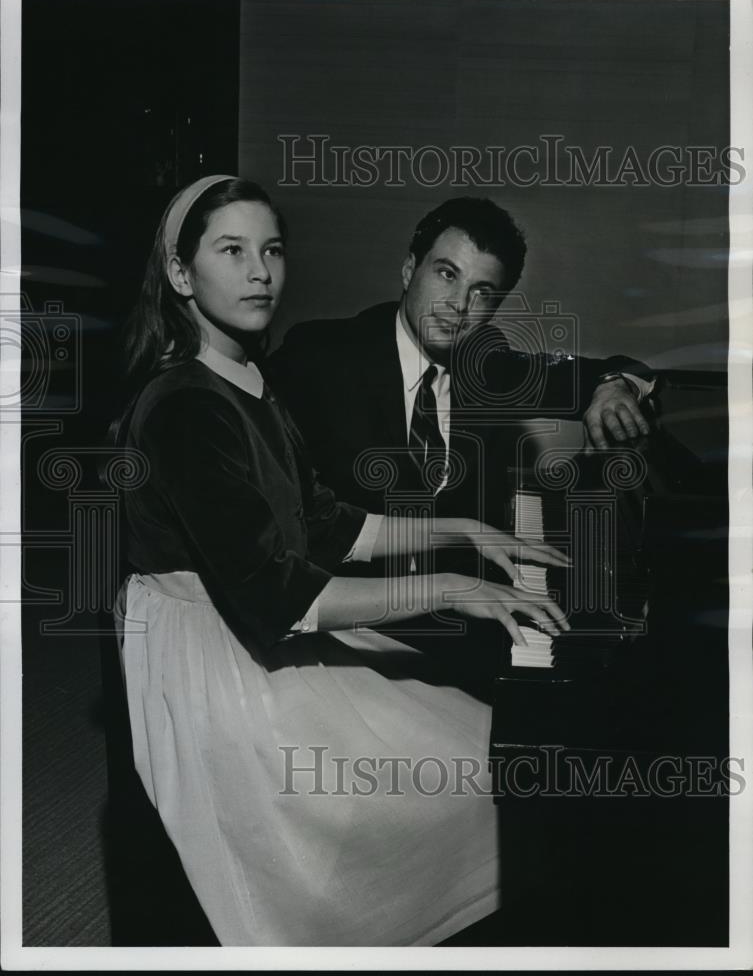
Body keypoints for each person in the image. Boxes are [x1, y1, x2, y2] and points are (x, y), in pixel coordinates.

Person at [113, 175, 572, 947]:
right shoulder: (186, 408)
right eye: (232, 251)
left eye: (272, 249)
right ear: (182, 275)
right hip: (210, 662)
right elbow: (279, 592)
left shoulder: (246, 380)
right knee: (434, 787)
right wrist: (457, 587)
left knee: (478, 747)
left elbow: (323, 523)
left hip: (255, 624)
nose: (260, 271)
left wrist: (464, 530)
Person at [266, 196, 654, 537]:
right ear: (408, 270)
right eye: (447, 274)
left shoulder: (487, 366)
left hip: (458, 599)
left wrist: (614, 384)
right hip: (352, 604)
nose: (458, 304)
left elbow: (608, 370)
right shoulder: (322, 356)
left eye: (481, 293)